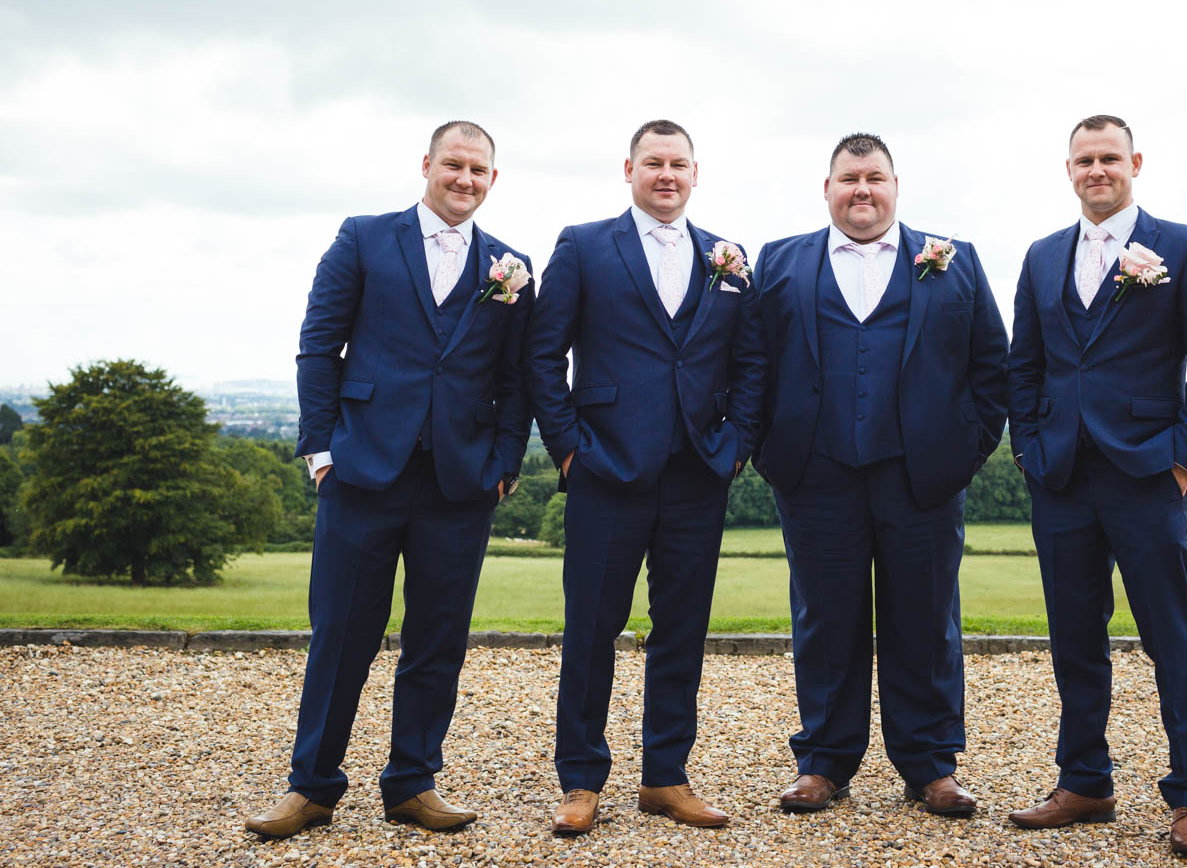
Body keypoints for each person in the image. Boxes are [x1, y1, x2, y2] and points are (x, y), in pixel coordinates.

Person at [245, 121, 534, 838]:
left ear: (493, 180)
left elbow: (518, 379)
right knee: (341, 634)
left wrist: (502, 463)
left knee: (438, 640)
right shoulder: (365, 237)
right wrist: (320, 452)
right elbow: (319, 344)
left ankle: (412, 783)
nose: (465, 179)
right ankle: (310, 787)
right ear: (427, 165)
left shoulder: (511, 265)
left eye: (479, 170)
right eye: (454, 165)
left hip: (460, 483)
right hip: (362, 472)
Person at [753, 133, 1009, 817]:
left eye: (874, 177)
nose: (861, 190)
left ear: (896, 185)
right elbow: (752, 362)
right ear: (827, 187)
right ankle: (824, 763)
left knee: (925, 622)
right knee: (823, 619)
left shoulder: (953, 262)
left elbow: (993, 368)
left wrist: (963, 454)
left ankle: (929, 765)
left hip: (922, 478)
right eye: (848, 178)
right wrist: (770, 454)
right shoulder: (779, 261)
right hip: (814, 474)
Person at [527, 119, 766, 835]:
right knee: (591, 628)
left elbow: (751, 363)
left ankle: (666, 776)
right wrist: (568, 448)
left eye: (679, 164)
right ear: (628, 169)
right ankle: (581, 781)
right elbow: (543, 356)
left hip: (698, 472)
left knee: (683, 630)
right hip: (606, 468)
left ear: (696, 174)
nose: (667, 175)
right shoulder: (583, 245)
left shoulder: (728, 256)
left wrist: (733, 448)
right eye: (654, 163)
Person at [1006, 115, 1187, 857]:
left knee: (1173, 640)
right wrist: (1030, 450)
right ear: (1067, 169)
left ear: (1135, 162)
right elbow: (1026, 364)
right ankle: (1084, 783)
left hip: (1148, 477)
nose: (1096, 170)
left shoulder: (1184, 246)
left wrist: (1182, 461)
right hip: (1063, 478)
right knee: (1075, 642)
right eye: (1084, 160)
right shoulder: (1042, 257)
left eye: (1109, 158)